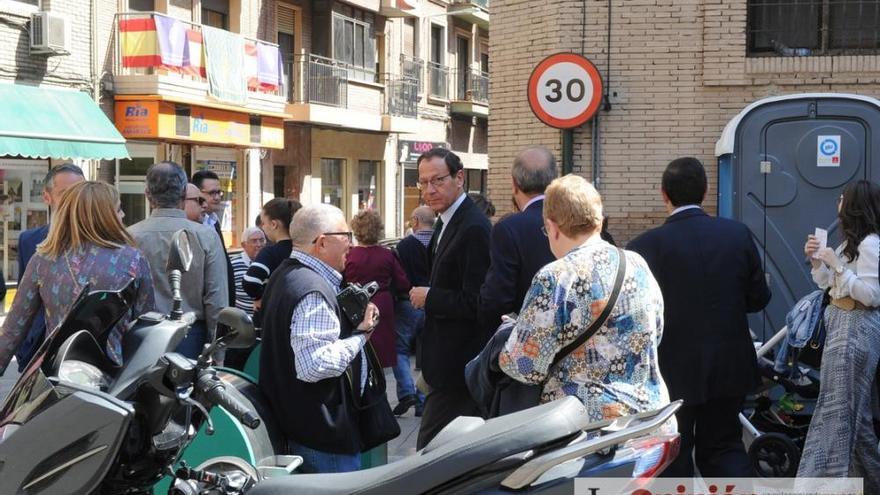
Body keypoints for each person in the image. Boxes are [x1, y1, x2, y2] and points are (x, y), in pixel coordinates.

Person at [627, 157, 771, 478]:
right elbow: (758, 298)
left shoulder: (644, 247)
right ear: (705, 192)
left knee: (672, 455)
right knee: (725, 448)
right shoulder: (737, 235)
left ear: (664, 194)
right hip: (730, 364)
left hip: (671, 371)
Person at [498, 174, 671, 425]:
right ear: (599, 222)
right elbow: (655, 333)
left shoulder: (555, 277)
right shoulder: (636, 262)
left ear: (551, 226)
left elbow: (523, 367)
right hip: (647, 417)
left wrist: (511, 334)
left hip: (587, 429)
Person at [259, 204, 379, 473]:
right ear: (322, 243)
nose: (351, 243)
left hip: (303, 428)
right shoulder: (311, 288)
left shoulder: (285, 274)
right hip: (321, 435)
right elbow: (314, 365)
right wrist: (361, 335)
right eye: (346, 235)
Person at [0, 181, 154, 374]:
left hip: (54, 373)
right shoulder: (133, 259)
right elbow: (145, 324)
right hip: (111, 376)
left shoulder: (43, 259)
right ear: (104, 216)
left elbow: (13, 328)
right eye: (118, 209)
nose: (123, 215)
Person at [799, 180, 880, 491]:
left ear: (854, 205)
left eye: (843, 198)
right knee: (853, 419)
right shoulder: (851, 244)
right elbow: (827, 285)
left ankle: (818, 485)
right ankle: (870, 482)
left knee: (836, 413)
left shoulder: (870, 244)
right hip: (842, 325)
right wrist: (818, 262)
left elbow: (871, 296)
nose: (838, 202)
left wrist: (837, 265)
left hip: (856, 328)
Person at [409, 148, 491, 449]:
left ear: (459, 178)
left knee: (429, 455)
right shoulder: (445, 220)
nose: (430, 190)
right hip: (443, 364)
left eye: (438, 180)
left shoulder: (473, 227)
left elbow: (478, 303)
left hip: (459, 368)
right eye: (423, 182)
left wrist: (430, 298)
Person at [130, 162, 229, 358]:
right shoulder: (206, 236)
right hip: (190, 336)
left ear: (148, 194)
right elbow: (217, 302)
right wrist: (218, 355)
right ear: (184, 193)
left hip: (142, 337)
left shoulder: (130, 236)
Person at [479, 147, 557, 333]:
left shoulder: (509, 228)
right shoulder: (574, 219)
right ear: (554, 180)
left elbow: (497, 298)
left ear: (514, 183)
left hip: (526, 341)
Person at [14, 163, 84, 371]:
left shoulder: (99, 241)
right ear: (47, 197)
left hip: (80, 352)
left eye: (78, 192)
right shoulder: (29, 241)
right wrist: (23, 349)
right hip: (36, 350)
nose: (73, 199)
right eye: (65, 193)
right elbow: (23, 301)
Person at [343, 210, 410, 370]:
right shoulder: (387, 255)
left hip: (355, 303)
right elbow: (403, 282)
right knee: (381, 350)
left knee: (359, 345)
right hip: (382, 302)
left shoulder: (350, 255)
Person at [391, 205, 435, 416]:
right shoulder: (441, 240)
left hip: (408, 302)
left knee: (399, 348)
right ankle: (423, 400)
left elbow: (398, 276)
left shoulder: (406, 245)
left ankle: (407, 392)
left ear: (416, 221)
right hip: (436, 303)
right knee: (428, 352)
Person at [243, 198, 301, 326]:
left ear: (274, 224)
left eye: (263, 223)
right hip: (298, 314)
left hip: (271, 319)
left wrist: (259, 297)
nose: (262, 227)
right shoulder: (303, 249)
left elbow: (250, 282)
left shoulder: (270, 252)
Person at [192, 169, 236, 307]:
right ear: (197, 194)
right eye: (212, 193)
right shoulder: (192, 223)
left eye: (219, 192)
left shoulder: (214, 220)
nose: (217, 197)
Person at [231, 226, 266, 317]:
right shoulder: (234, 264)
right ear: (244, 245)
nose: (259, 244)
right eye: (254, 241)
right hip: (241, 321)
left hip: (264, 319)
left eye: (261, 240)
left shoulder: (268, 263)